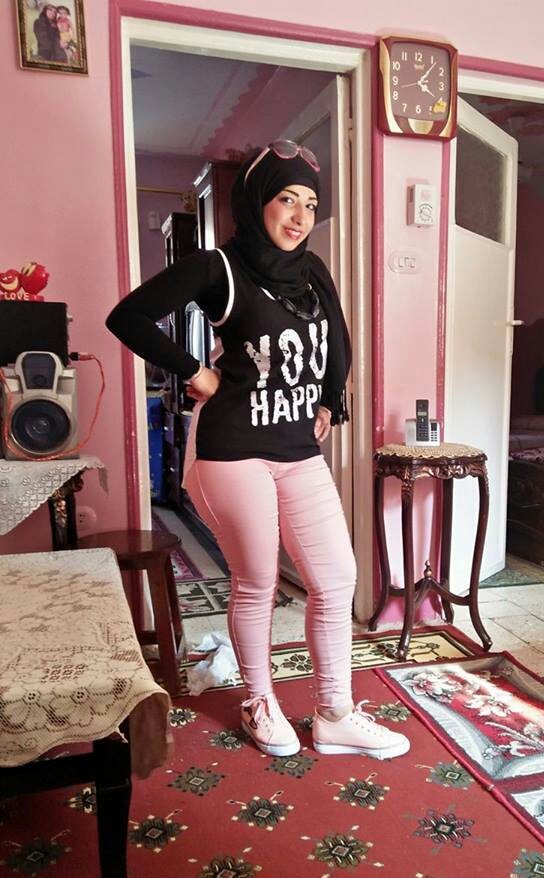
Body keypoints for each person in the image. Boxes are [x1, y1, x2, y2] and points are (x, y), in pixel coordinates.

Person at [106, 141, 410, 761]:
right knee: (259, 580)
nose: (299, 216)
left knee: (336, 579)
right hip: (232, 448)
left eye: (310, 204)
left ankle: (335, 714)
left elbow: (337, 340)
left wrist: (329, 401)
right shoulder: (221, 266)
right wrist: (195, 370)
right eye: (286, 199)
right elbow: (129, 317)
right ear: (258, 201)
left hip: (296, 447)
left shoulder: (312, 269)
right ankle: (260, 701)